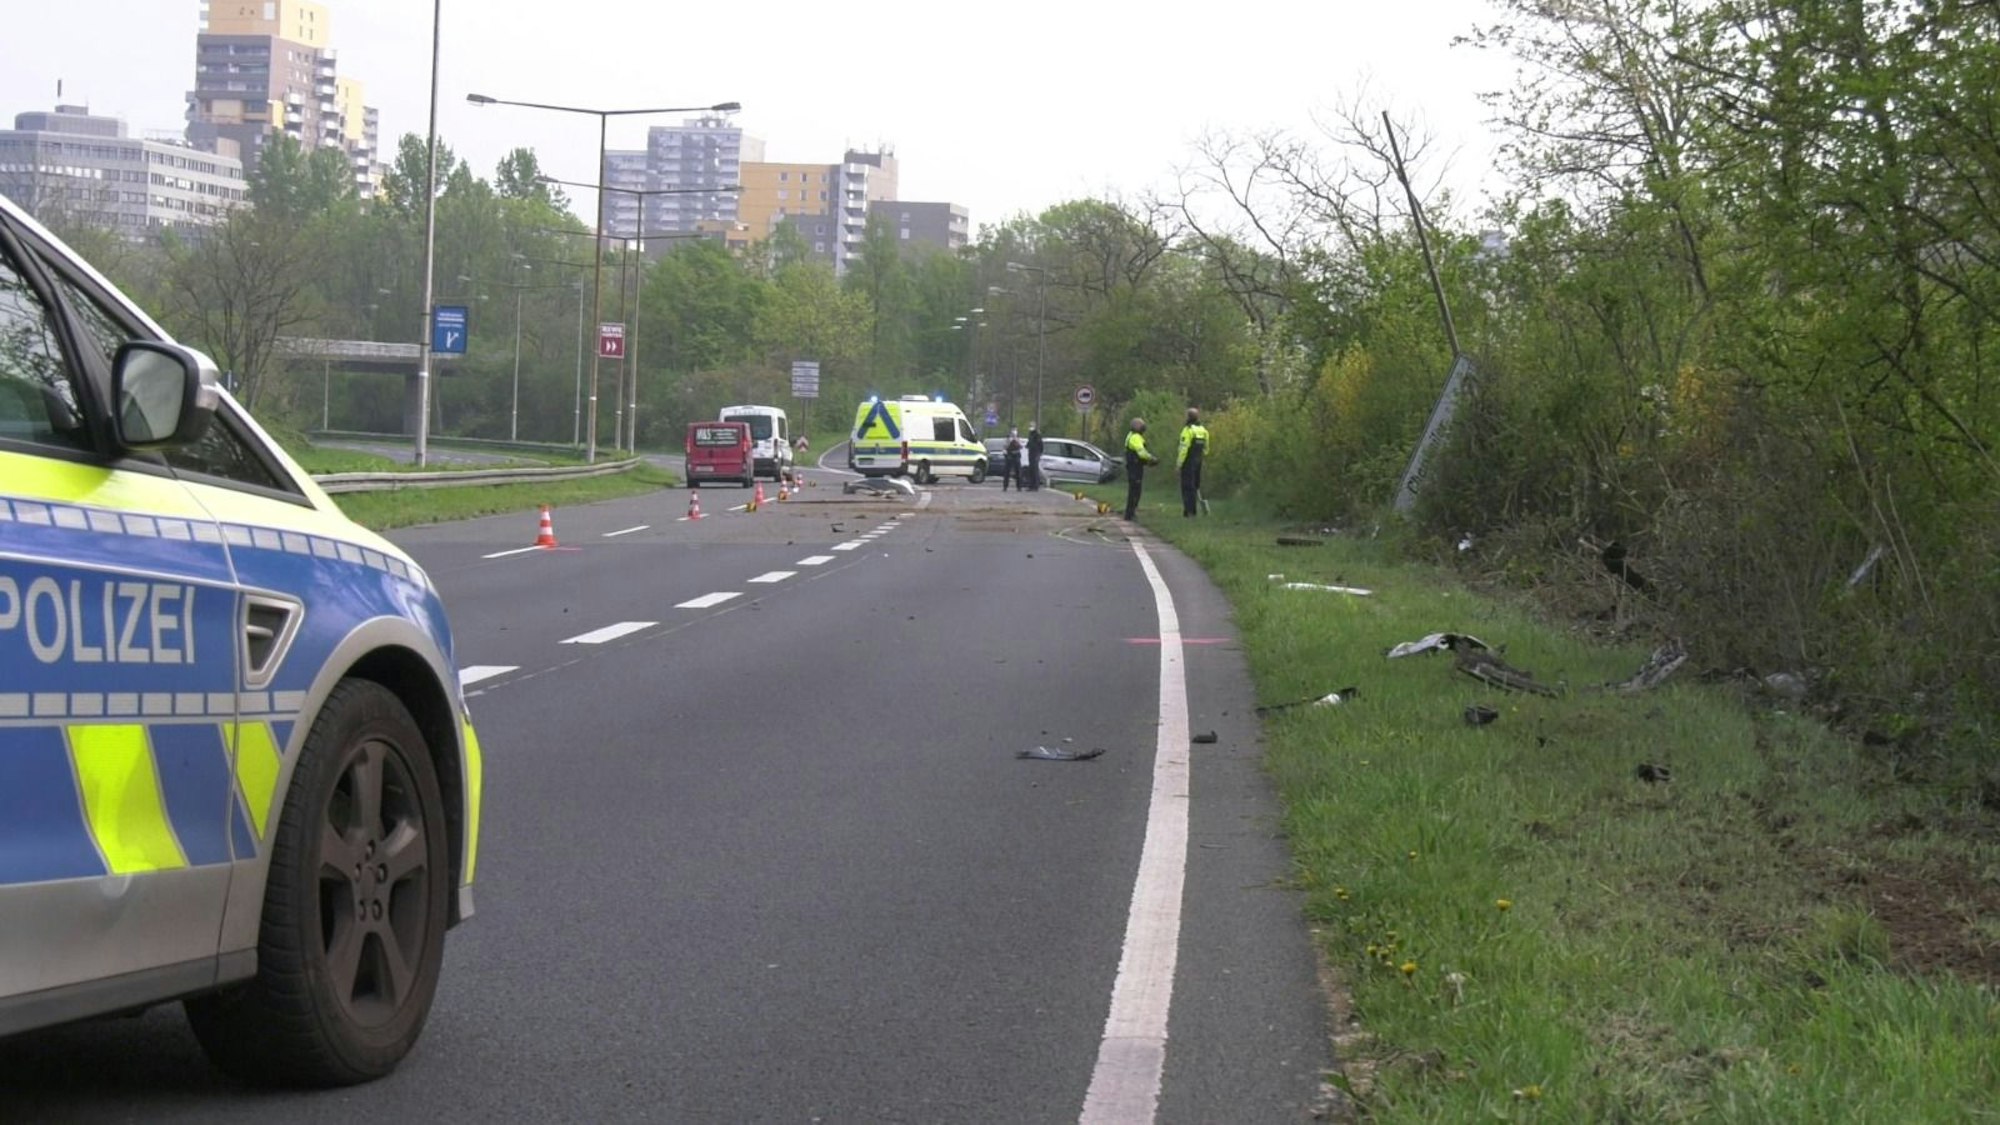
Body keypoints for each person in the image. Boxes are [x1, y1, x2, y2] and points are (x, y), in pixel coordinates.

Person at [1122, 417, 1159, 520]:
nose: (1144, 427)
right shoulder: (1135, 437)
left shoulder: (1132, 435)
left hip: (1134, 466)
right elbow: (1141, 453)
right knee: (1135, 490)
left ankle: (1130, 512)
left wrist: (1147, 461)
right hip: (1135, 467)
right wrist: (1151, 458)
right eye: (1141, 425)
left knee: (1134, 490)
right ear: (1136, 427)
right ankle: (1130, 514)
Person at [1177, 407, 1210, 516]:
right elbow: (1206, 448)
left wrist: (1179, 464)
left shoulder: (1188, 430)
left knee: (1187, 486)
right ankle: (1194, 510)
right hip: (1198, 461)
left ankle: (1189, 511)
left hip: (1188, 462)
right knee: (1195, 486)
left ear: (1188, 417)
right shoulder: (1203, 430)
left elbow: (1183, 448)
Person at [1025, 425, 1045, 491]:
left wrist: (1039, 454)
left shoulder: (1037, 436)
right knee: (1031, 470)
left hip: (1035, 454)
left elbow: (1041, 446)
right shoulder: (1031, 435)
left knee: (1035, 470)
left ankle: (1035, 486)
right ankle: (1031, 485)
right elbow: (1028, 444)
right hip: (1031, 454)